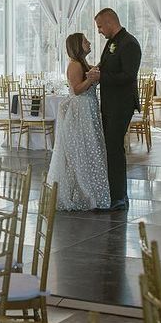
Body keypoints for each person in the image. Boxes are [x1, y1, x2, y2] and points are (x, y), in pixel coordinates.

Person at [45, 32, 110, 211]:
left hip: (88, 110)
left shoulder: (83, 63)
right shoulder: (74, 65)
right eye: (85, 41)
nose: (89, 43)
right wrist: (90, 79)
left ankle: (89, 190)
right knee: (82, 150)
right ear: (77, 45)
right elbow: (76, 89)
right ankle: (84, 192)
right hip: (80, 111)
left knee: (89, 148)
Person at [94, 7, 142, 211]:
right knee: (111, 148)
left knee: (114, 149)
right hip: (110, 104)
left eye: (100, 26)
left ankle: (118, 198)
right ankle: (117, 193)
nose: (99, 31)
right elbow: (107, 66)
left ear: (110, 22)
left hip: (122, 104)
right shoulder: (112, 43)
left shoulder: (129, 44)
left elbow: (128, 76)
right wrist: (96, 70)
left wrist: (101, 77)